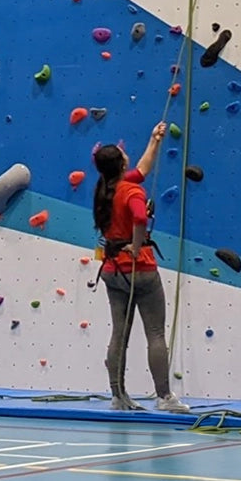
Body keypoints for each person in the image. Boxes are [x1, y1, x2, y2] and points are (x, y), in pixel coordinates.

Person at [92, 122, 189, 413]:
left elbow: (143, 169)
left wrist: (154, 140)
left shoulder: (105, 187)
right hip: (140, 269)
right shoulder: (132, 192)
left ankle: (118, 396)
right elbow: (140, 219)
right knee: (155, 333)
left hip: (112, 269)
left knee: (119, 333)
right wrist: (136, 246)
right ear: (122, 164)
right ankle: (164, 397)